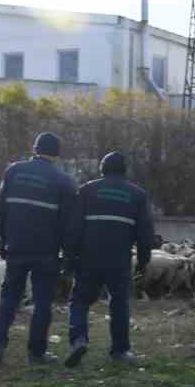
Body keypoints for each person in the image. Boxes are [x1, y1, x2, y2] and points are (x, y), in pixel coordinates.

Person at [0, 132, 77, 365]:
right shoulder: (63, 181)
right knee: (42, 302)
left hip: (16, 245)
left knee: (9, 297)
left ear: (34, 148)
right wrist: (68, 255)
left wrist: (4, 240)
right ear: (57, 154)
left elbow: (0, 209)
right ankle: (36, 353)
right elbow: (69, 223)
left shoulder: (14, 171)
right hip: (46, 251)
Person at [64, 151, 154, 367]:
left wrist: (69, 257)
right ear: (125, 171)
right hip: (119, 259)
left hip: (88, 257)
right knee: (119, 302)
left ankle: (79, 340)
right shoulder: (137, 195)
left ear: (102, 169)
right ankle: (120, 351)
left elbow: (73, 227)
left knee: (79, 301)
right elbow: (145, 232)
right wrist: (143, 261)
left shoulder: (86, 190)